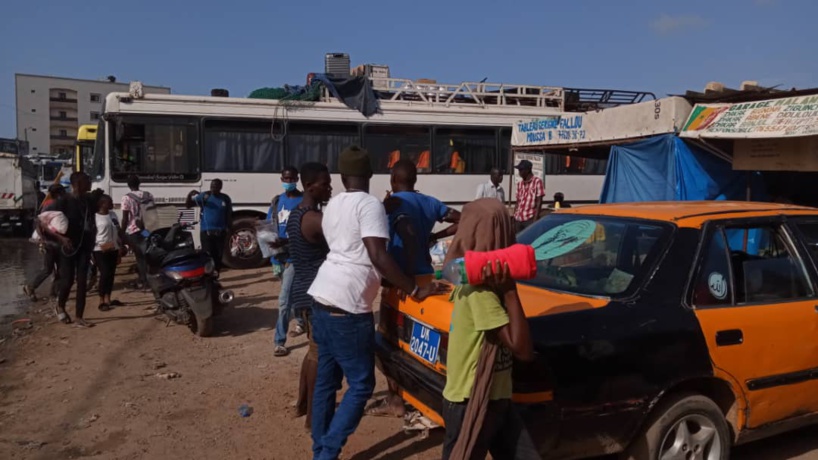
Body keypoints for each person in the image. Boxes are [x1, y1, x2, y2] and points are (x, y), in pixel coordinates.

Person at [307, 146, 447, 460]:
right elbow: (378, 255)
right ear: (370, 175)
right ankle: (326, 453)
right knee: (361, 384)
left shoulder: (333, 205)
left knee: (327, 382)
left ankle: (320, 447)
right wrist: (414, 289)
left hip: (322, 295)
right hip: (347, 307)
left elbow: (351, 251)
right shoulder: (369, 204)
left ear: (342, 176)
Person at [441, 198, 538, 460]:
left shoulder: (477, 280)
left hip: (494, 397)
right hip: (474, 401)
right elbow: (522, 350)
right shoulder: (480, 290)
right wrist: (509, 291)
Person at [365, 159, 460, 418]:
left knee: (392, 340)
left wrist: (402, 279)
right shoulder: (429, 202)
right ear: (415, 179)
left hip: (400, 282)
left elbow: (405, 233)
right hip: (426, 278)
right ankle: (429, 397)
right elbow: (461, 218)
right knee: (426, 342)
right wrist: (434, 237)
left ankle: (395, 398)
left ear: (393, 180)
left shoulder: (393, 204)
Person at [288, 162, 333, 428]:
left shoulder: (297, 213)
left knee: (311, 352)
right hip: (316, 293)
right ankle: (314, 419)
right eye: (325, 184)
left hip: (302, 291)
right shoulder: (315, 219)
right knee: (320, 355)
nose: (329, 188)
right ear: (309, 186)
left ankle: (302, 404)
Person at [40, 172, 98, 328]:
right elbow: (41, 221)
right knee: (68, 280)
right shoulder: (63, 201)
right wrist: (61, 239)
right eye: (87, 180)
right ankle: (60, 306)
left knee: (82, 282)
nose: (90, 183)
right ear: (78, 183)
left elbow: (92, 220)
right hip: (68, 248)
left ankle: (79, 317)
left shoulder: (87, 201)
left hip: (84, 246)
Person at [269, 166, 306, 357]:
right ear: (281, 178)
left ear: (297, 179)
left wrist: (288, 242)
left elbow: (306, 233)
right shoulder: (277, 202)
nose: (288, 180)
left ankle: (279, 341)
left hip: (295, 257)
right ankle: (301, 321)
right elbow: (270, 228)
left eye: (292, 177)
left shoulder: (303, 201)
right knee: (292, 294)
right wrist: (272, 256)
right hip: (279, 257)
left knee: (284, 300)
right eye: (285, 177)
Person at [23, 184, 67, 301]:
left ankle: (53, 292)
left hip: (57, 241)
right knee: (49, 269)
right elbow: (39, 223)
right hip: (50, 242)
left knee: (59, 269)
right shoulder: (50, 205)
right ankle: (31, 287)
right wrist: (43, 239)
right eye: (63, 192)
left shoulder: (59, 204)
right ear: (58, 194)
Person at [186, 179, 233, 273]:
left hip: (220, 232)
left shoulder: (225, 198)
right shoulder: (205, 196)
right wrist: (189, 195)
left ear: (220, 187)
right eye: (212, 186)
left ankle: (216, 273)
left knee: (218, 255)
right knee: (207, 255)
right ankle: (207, 276)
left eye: (215, 186)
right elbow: (188, 205)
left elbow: (229, 214)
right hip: (206, 232)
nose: (213, 188)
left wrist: (229, 229)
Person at [121, 175, 153, 290]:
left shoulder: (126, 198)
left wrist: (122, 233)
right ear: (139, 183)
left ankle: (144, 281)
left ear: (128, 185)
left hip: (134, 231)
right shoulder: (148, 195)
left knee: (140, 257)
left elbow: (125, 218)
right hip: (147, 230)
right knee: (148, 254)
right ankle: (150, 278)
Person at [93, 194, 124, 311]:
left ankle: (108, 298)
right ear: (102, 204)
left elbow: (118, 229)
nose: (111, 204)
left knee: (111, 274)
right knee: (104, 273)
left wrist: (121, 246)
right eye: (109, 202)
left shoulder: (113, 215)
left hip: (114, 248)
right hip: (100, 250)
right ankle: (101, 300)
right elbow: (92, 235)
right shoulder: (95, 217)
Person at [513, 160, 545, 233]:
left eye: (521, 170)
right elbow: (518, 202)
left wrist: (535, 220)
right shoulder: (520, 184)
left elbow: (539, 202)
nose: (519, 172)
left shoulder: (537, 182)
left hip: (530, 219)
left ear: (527, 170)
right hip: (518, 218)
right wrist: (514, 217)